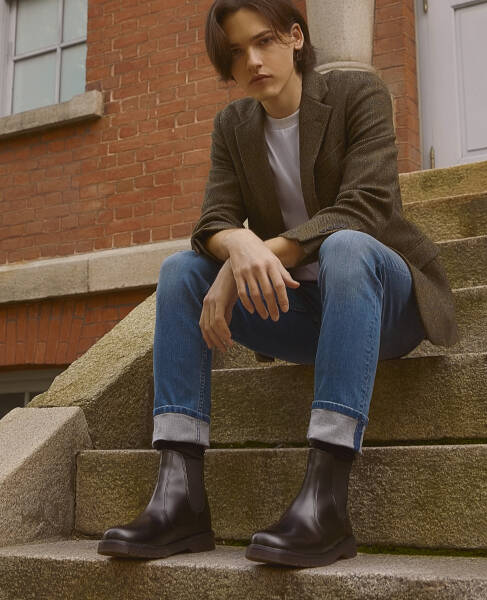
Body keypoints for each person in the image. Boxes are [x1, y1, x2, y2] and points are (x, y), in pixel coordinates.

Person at [97, 0, 459, 568]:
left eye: (264, 41)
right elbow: (213, 220)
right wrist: (237, 248)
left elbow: (365, 207)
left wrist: (250, 255)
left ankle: (326, 500)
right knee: (179, 272)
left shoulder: (357, 96)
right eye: (236, 52)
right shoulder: (234, 126)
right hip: (299, 311)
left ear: (295, 37)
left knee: (345, 246)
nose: (253, 61)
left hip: (384, 304)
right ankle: (180, 494)